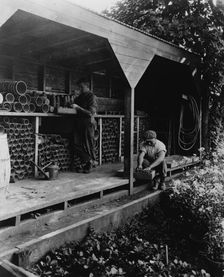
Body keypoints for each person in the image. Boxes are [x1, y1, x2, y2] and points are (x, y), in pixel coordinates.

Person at [71, 77, 97, 173]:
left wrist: (78, 107)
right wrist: (73, 100)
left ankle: (88, 164)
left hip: (87, 122)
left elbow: (91, 112)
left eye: (81, 87)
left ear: (87, 86)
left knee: (88, 144)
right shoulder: (80, 97)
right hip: (79, 122)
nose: (80, 89)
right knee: (76, 143)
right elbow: (74, 105)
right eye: (79, 87)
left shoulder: (91, 97)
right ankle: (87, 161)